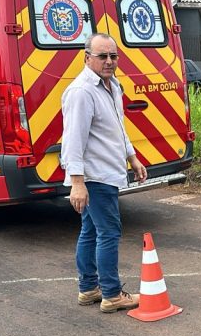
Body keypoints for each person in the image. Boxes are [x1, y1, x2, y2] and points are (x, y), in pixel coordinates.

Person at [61, 33, 148, 313]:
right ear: (87, 58)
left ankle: (89, 288)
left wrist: (132, 158)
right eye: (103, 56)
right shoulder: (82, 92)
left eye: (113, 56)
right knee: (109, 232)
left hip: (107, 172)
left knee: (91, 231)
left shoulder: (112, 86)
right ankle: (111, 294)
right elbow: (73, 140)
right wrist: (77, 183)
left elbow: (118, 129)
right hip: (95, 177)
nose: (109, 61)